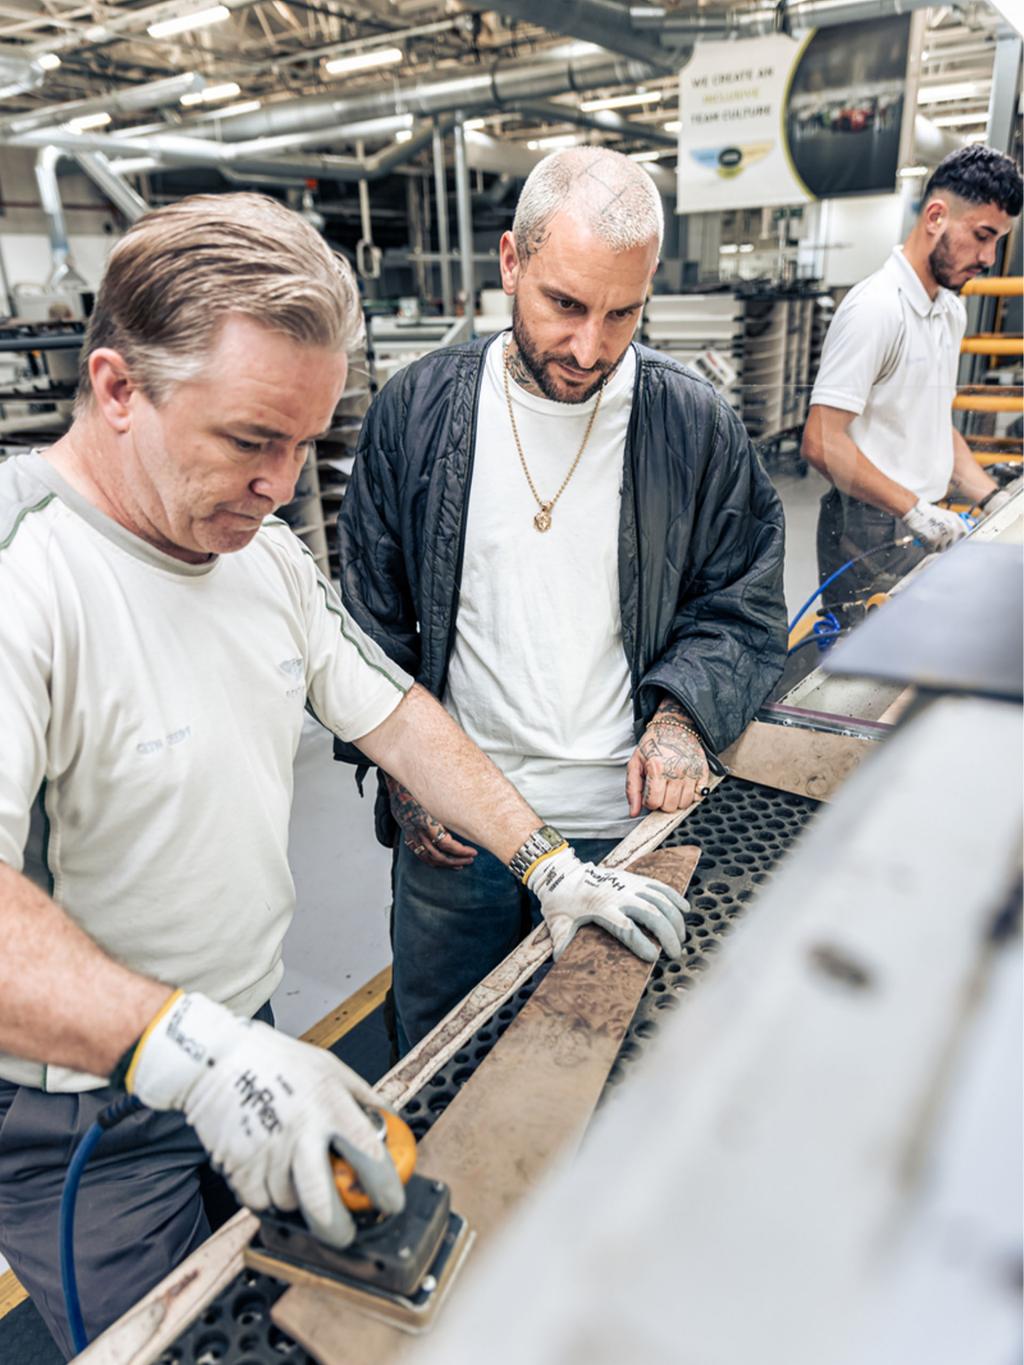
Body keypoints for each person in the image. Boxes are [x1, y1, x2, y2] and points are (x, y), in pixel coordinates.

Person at [0, 192, 690, 1356]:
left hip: (247, 1038)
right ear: (117, 390)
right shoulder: (29, 572)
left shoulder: (260, 558)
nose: (282, 483)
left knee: (297, 1317)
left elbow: (399, 718)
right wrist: (191, 1052)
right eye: (248, 440)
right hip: (86, 1118)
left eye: (306, 445)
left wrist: (549, 866)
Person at [336, 147, 788, 1055]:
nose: (590, 349)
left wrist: (682, 718)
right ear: (511, 262)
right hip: (458, 831)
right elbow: (366, 627)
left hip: (624, 830)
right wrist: (403, 775)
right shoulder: (417, 412)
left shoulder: (692, 425)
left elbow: (742, 602)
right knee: (440, 1054)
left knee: (599, 1066)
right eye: (566, 305)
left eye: (623, 314)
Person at [802, 144, 1023, 623]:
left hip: (922, 518)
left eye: (998, 241)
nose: (988, 258)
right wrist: (914, 509)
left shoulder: (950, 311)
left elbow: (932, 424)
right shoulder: (877, 308)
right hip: (868, 529)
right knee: (867, 660)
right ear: (936, 216)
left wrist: (992, 498)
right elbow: (821, 440)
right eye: (982, 236)